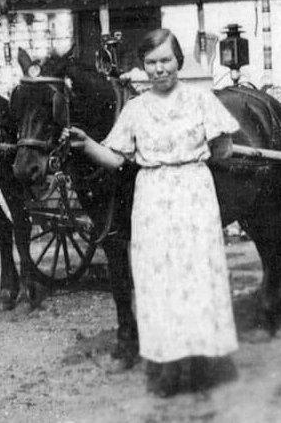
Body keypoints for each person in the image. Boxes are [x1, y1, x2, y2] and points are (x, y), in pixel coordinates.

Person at [62, 29, 240, 397]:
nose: (159, 70)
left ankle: (203, 363)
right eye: (151, 63)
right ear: (143, 67)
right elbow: (116, 159)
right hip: (154, 199)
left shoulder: (200, 99)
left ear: (178, 61)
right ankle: (169, 367)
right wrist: (87, 144)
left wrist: (200, 157)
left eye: (166, 61)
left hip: (194, 195)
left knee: (198, 276)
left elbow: (223, 148)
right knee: (159, 282)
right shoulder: (135, 109)